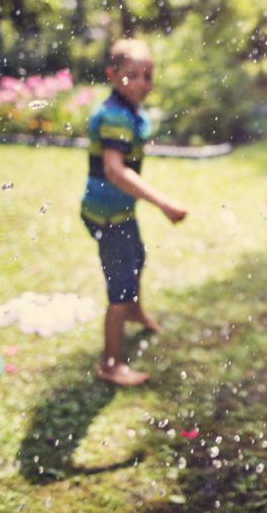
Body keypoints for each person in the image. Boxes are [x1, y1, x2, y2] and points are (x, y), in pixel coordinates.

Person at [81, 38, 188, 387]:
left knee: (137, 258)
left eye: (147, 75)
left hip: (118, 210)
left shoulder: (125, 108)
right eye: (132, 75)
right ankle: (110, 363)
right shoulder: (114, 115)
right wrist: (164, 203)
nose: (142, 82)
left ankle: (135, 311)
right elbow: (114, 169)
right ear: (113, 75)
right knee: (120, 286)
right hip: (106, 214)